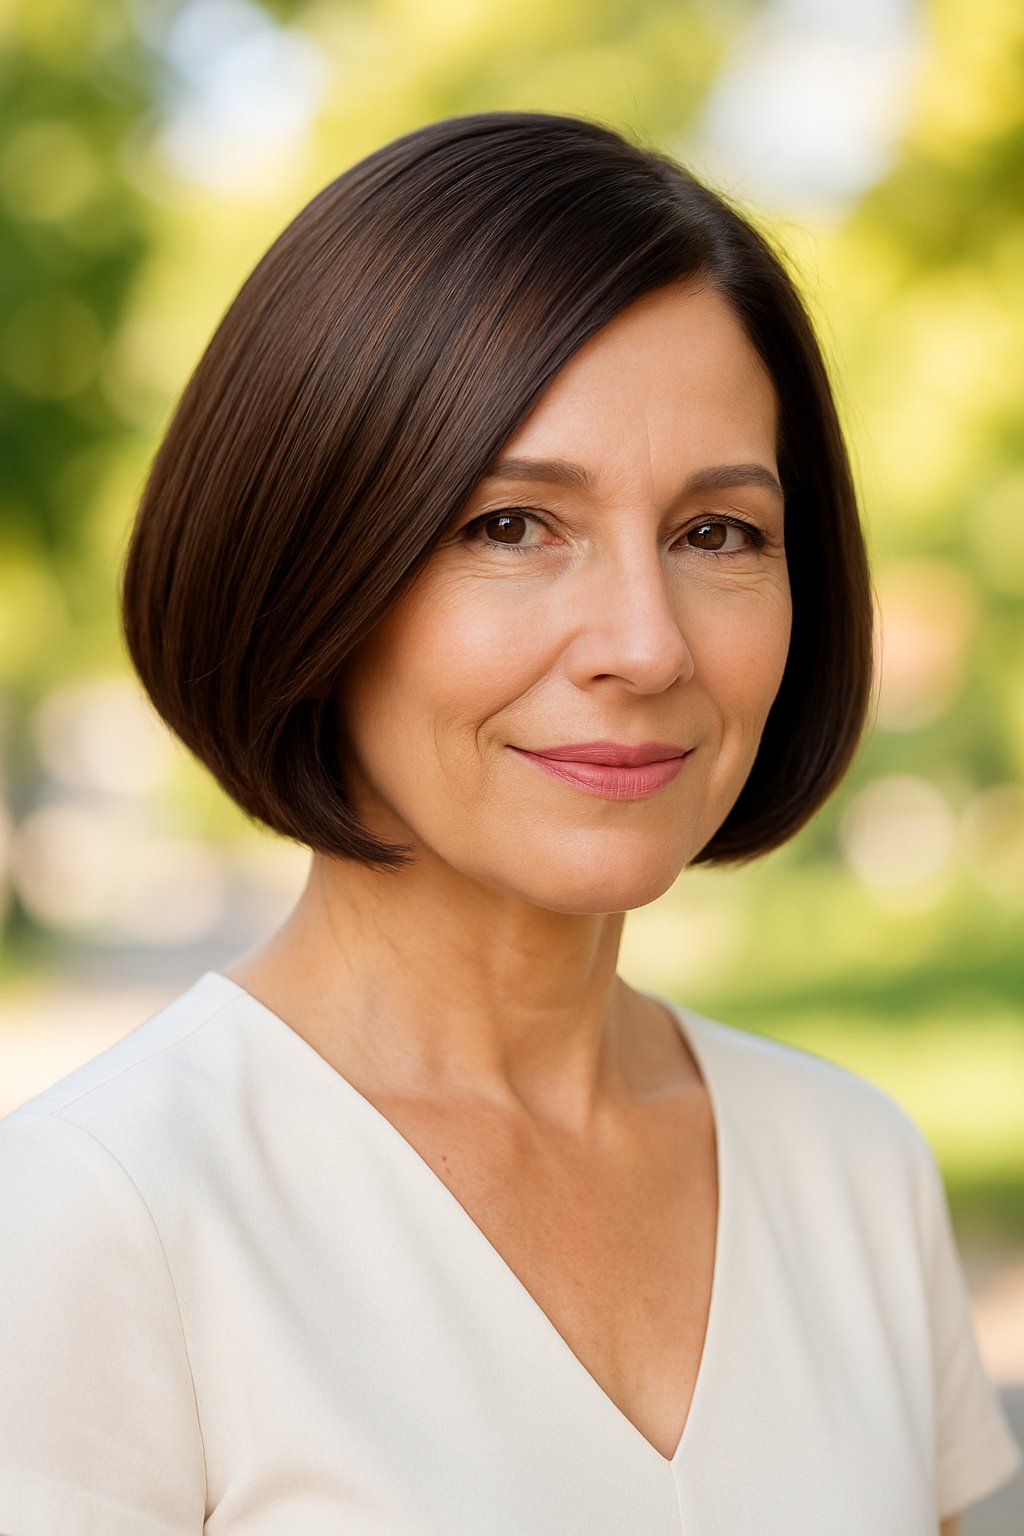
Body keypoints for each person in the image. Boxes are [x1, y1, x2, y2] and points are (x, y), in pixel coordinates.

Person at [0, 110, 1019, 1536]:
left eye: (716, 532)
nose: (645, 645)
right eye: (510, 525)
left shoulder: (852, 1167)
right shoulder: (98, 1219)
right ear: (310, 566)